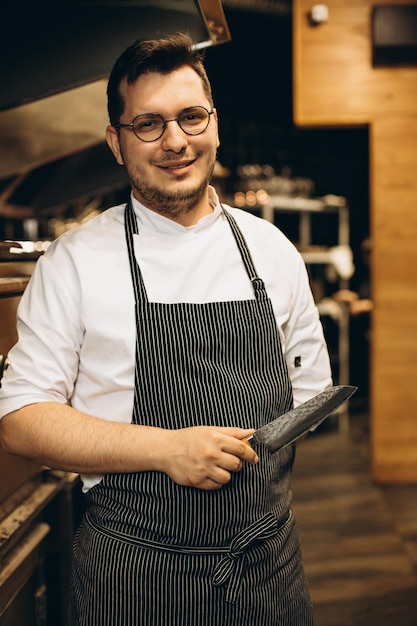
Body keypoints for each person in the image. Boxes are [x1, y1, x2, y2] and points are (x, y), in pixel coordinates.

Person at [0, 33, 332, 626]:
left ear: (215, 124)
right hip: (133, 575)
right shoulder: (74, 261)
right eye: (149, 124)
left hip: (266, 566)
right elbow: (21, 418)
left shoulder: (273, 251)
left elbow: (310, 394)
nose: (176, 141)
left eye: (190, 117)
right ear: (116, 142)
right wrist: (165, 449)